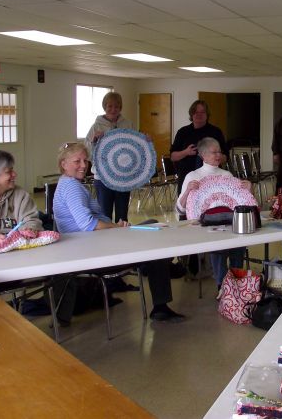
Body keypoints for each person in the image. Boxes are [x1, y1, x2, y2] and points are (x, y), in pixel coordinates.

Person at [53, 142, 185, 322]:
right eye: (77, 161)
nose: (84, 165)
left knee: (152, 226)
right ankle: (160, 302)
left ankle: (154, 267)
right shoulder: (71, 187)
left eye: (85, 160)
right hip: (93, 248)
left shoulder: (67, 184)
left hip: (94, 243)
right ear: (63, 164)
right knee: (154, 236)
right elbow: (88, 224)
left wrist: (115, 227)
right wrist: (117, 227)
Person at [176, 137, 251, 297]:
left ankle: (236, 284)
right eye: (214, 152)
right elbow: (180, 209)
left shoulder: (227, 174)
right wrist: (188, 191)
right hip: (205, 226)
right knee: (218, 245)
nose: (218, 155)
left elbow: (241, 202)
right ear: (203, 155)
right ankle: (222, 286)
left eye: (219, 151)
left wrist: (249, 190)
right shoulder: (193, 176)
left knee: (239, 243)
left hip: (229, 222)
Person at [85, 91, 136, 223]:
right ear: (104, 107)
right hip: (103, 177)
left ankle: (123, 242)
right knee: (104, 214)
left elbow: (134, 148)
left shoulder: (128, 124)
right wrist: (94, 139)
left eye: (117, 106)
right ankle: (105, 243)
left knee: (122, 215)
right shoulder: (96, 126)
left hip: (123, 176)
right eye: (110, 106)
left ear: (120, 108)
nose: (113, 109)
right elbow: (87, 152)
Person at [170, 100, 228, 195]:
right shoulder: (182, 132)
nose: (199, 115)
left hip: (212, 178)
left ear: (207, 114)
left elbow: (226, 157)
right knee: (186, 205)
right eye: (196, 112)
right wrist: (186, 152)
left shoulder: (216, 132)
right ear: (191, 114)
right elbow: (173, 156)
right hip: (186, 177)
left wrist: (214, 155)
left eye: (202, 112)